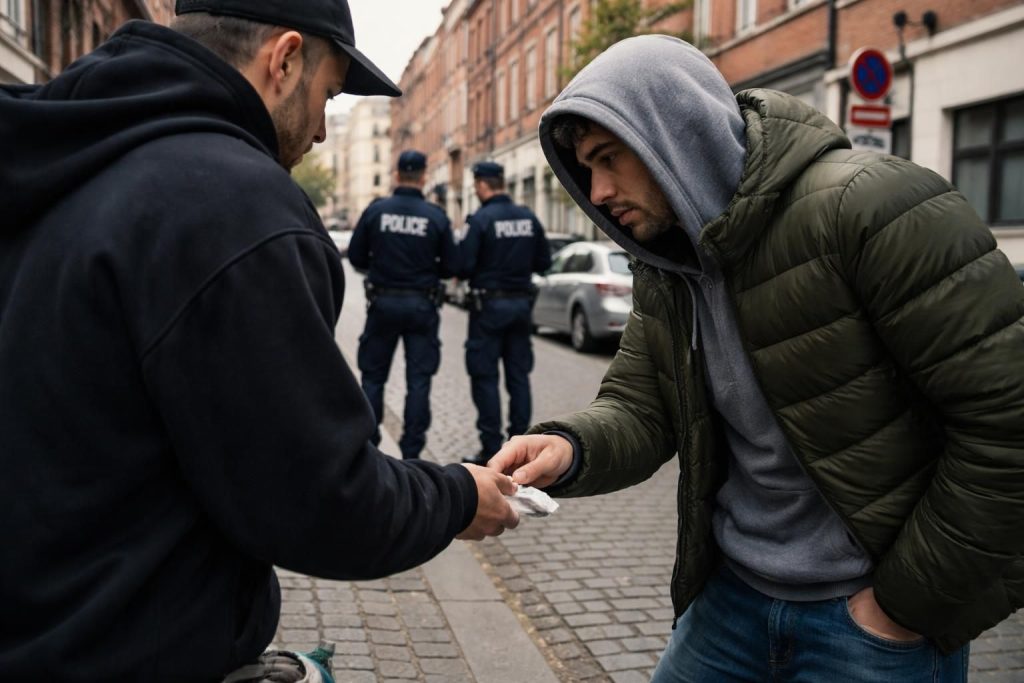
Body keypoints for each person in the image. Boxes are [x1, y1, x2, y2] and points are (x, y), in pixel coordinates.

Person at [0, 1, 519, 680]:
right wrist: (456, 496)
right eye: (329, 95)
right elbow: (322, 500)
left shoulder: (59, 152)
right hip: (128, 649)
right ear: (284, 59)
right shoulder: (233, 205)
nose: (325, 136)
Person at [489, 35, 1024, 682]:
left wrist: (905, 605)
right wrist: (567, 449)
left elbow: (1006, 425)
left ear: (672, 134)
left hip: (872, 624)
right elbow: (638, 407)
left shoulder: (871, 208)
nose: (597, 192)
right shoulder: (666, 264)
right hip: (730, 602)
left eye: (609, 159)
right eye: (586, 168)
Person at [348, 150, 458, 460]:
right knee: (418, 380)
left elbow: (356, 257)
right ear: (424, 176)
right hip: (422, 306)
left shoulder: (377, 211)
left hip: (382, 302)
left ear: (396, 175)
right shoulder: (436, 216)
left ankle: (369, 445)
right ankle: (412, 451)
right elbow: (452, 266)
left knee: (373, 376)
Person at [458, 161, 551, 466]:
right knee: (519, 377)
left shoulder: (482, 219)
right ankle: (520, 448)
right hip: (521, 307)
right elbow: (544, 262)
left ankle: (491, 450)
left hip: (487, 309)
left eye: (476, 186)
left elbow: (464, 265)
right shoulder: (528, 217)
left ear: (483, 185)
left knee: (485, 377)